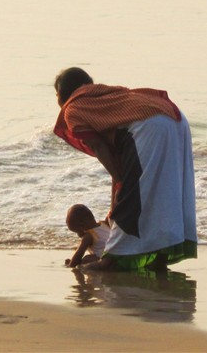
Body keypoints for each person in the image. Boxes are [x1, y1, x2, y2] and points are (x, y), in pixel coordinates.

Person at [53, 67, 197, 271]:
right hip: (175, 120)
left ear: (62, 95)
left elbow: (99, 146)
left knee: (131, 197)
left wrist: (120, 180)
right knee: (165, 193)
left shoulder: (74, 107)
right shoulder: (107, 96)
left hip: (149, 127)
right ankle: (159, 258)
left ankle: (112, 259)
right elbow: (119, 151)